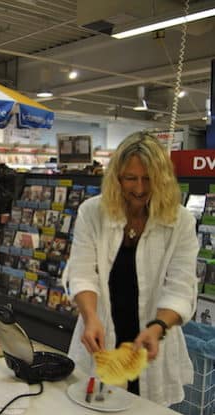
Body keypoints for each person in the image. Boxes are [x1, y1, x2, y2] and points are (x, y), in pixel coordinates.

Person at [62, 131, 199, 406]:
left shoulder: (180, 221)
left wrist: (158, 326)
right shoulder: (92, 212)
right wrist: (90, 317)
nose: (139, 188)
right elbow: (81, 271)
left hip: (151, 341)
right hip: (99, 334)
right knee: (94, 405)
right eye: (130, 178)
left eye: (148, 179)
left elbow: (181, 286)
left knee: (146, 408)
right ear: (116, 178)